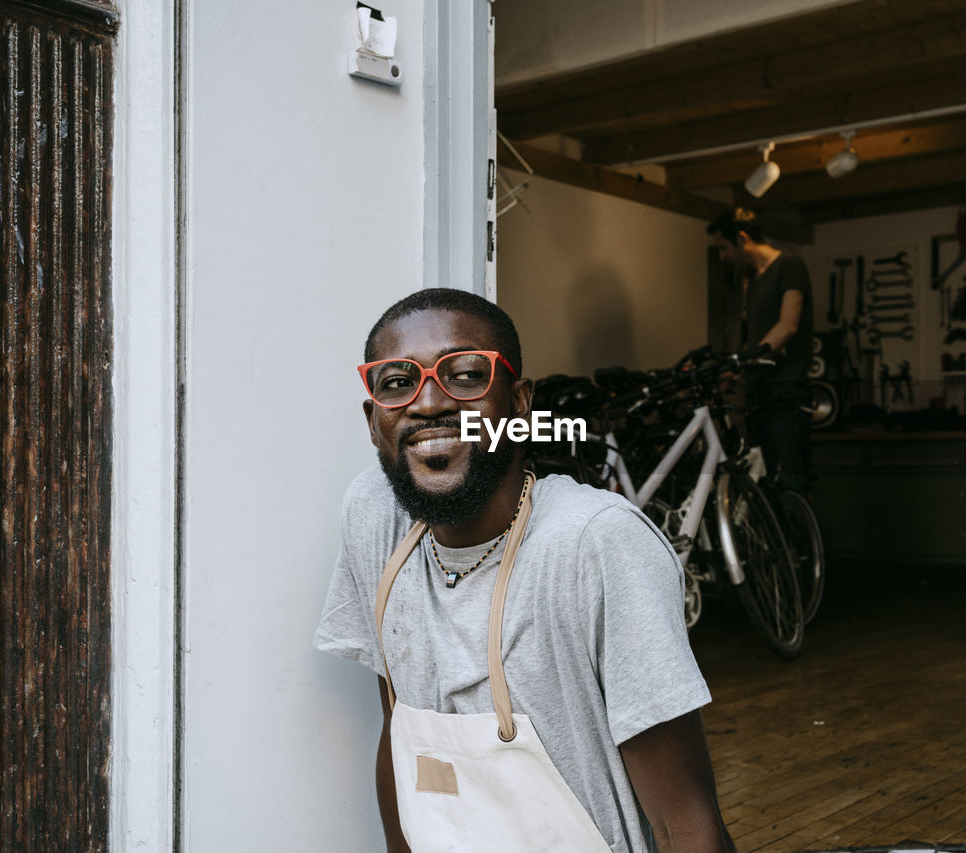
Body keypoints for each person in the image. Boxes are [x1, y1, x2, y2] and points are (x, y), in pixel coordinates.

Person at [313, 288, 734, 853]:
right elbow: (400, 734)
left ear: (518, 404)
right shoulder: (376, 517)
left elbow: (685, 825)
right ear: (373, 421)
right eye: (397, 382)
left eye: (465, 376)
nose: (429, 402)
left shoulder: (594, 543)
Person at [707, 208, 813, 491]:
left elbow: (788, 326)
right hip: (758, 392)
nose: (722, 256)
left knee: (791, 483)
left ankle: (798, 537)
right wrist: (731, 366)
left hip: (785, 392)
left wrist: (743, 359)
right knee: (763, 482)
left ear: (742, 238)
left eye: (723, 248)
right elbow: (756, 337)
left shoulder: (789, 266)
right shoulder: (754, 280)